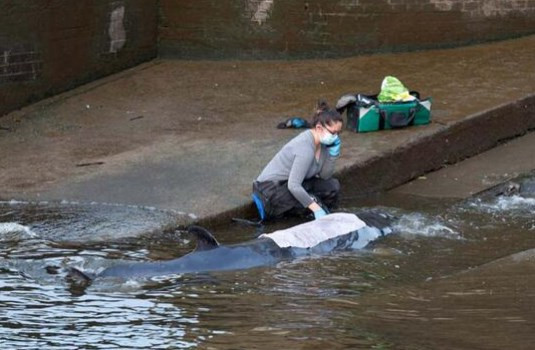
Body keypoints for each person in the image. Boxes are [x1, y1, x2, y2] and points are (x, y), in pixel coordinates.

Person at [252, 101, 343, 221]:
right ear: (319, 128)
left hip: (289, 185)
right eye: (333, 133)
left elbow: (324, 176)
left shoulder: (323, 145)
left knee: (332, 186)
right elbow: (294, 186)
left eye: (338, 133)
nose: (336, 137)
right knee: (311, 202)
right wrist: (316, 208)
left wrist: (333, 155)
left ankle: (308, 210)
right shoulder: (305, 148)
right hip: (271, 191)